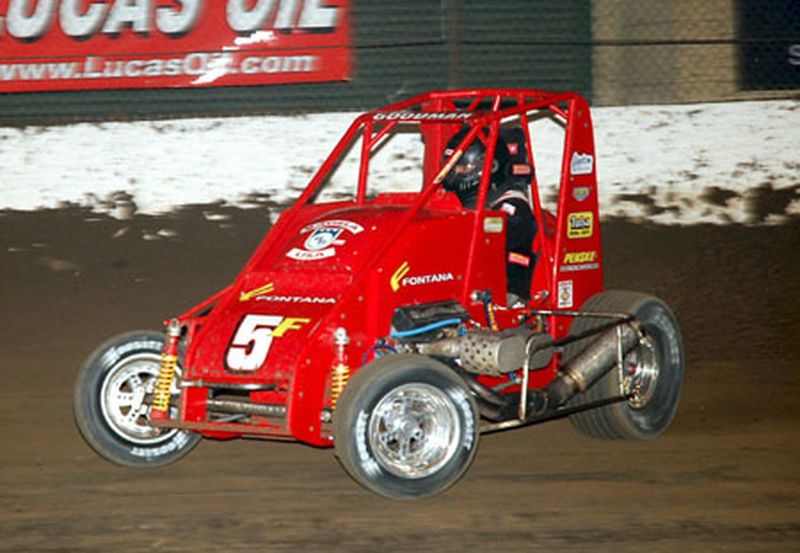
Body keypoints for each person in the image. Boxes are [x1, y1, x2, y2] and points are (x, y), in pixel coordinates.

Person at [442, 127, 537, 305]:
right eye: (452, 167)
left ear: (490, 166)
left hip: (505, 289)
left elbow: (505, 230)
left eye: (462, 168)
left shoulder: (513, 203)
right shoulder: (454, 201)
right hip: (461, 283)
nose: (456, 173)